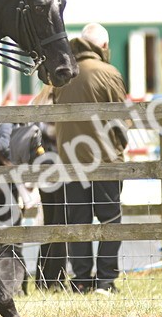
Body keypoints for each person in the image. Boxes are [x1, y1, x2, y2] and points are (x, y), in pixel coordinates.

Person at [45, 23, 128, 295]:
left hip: (70, 160)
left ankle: (80, 280)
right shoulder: (108, 73)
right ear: (104, 46)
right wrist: (120, 145)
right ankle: (105, 280)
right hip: (105, 159)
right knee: (110, 220)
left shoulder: (64, 74)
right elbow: (121, 117)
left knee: (78, 221)